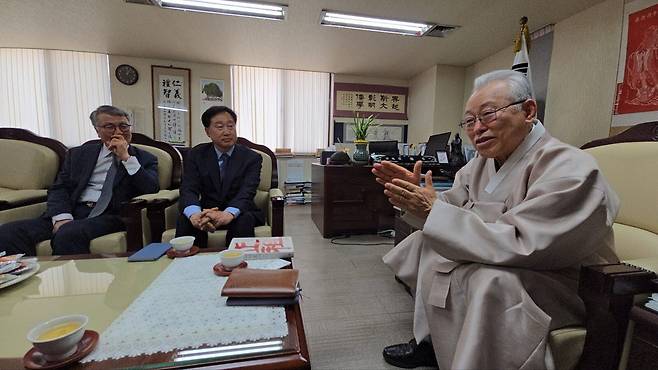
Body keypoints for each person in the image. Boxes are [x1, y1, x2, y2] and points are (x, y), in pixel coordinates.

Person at [372, 70, 620, 370]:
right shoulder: (480, 164)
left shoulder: (570, 168)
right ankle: (432, 343)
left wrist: (435, 213)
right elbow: (450, 205)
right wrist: (418, 200)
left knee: (489, 280)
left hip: (560, 277)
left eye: (488, 115)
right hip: (504, 256)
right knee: (430, 243)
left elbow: (524, 242)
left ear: (528, 111)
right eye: (469, 121)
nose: (477, 128)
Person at [0, 105, 159, 256]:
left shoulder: (144, 158)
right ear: (98, 131)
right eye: (110, 127)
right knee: (8, 233)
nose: (118, 131)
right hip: (74, 210)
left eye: (124, 126)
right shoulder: (78, 155)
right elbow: (59, 188)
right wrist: (62, 217)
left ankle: (71, 282)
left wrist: (126, 157)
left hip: (108, 215)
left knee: (68, 233)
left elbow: (150, 188)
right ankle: (30, 277)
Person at [175, 106, 264, 248]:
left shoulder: (252, 158)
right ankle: (187, 265)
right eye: (219, 126)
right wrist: (195, 214)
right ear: (207, 131)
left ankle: (238, 266)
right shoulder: (196, 155)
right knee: (186, 220)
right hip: (207, 211)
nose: (227, 131)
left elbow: (247, 191)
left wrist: (228, 213)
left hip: (239, 211)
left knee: (244, 219)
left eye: (231, 126)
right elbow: (188, 188)